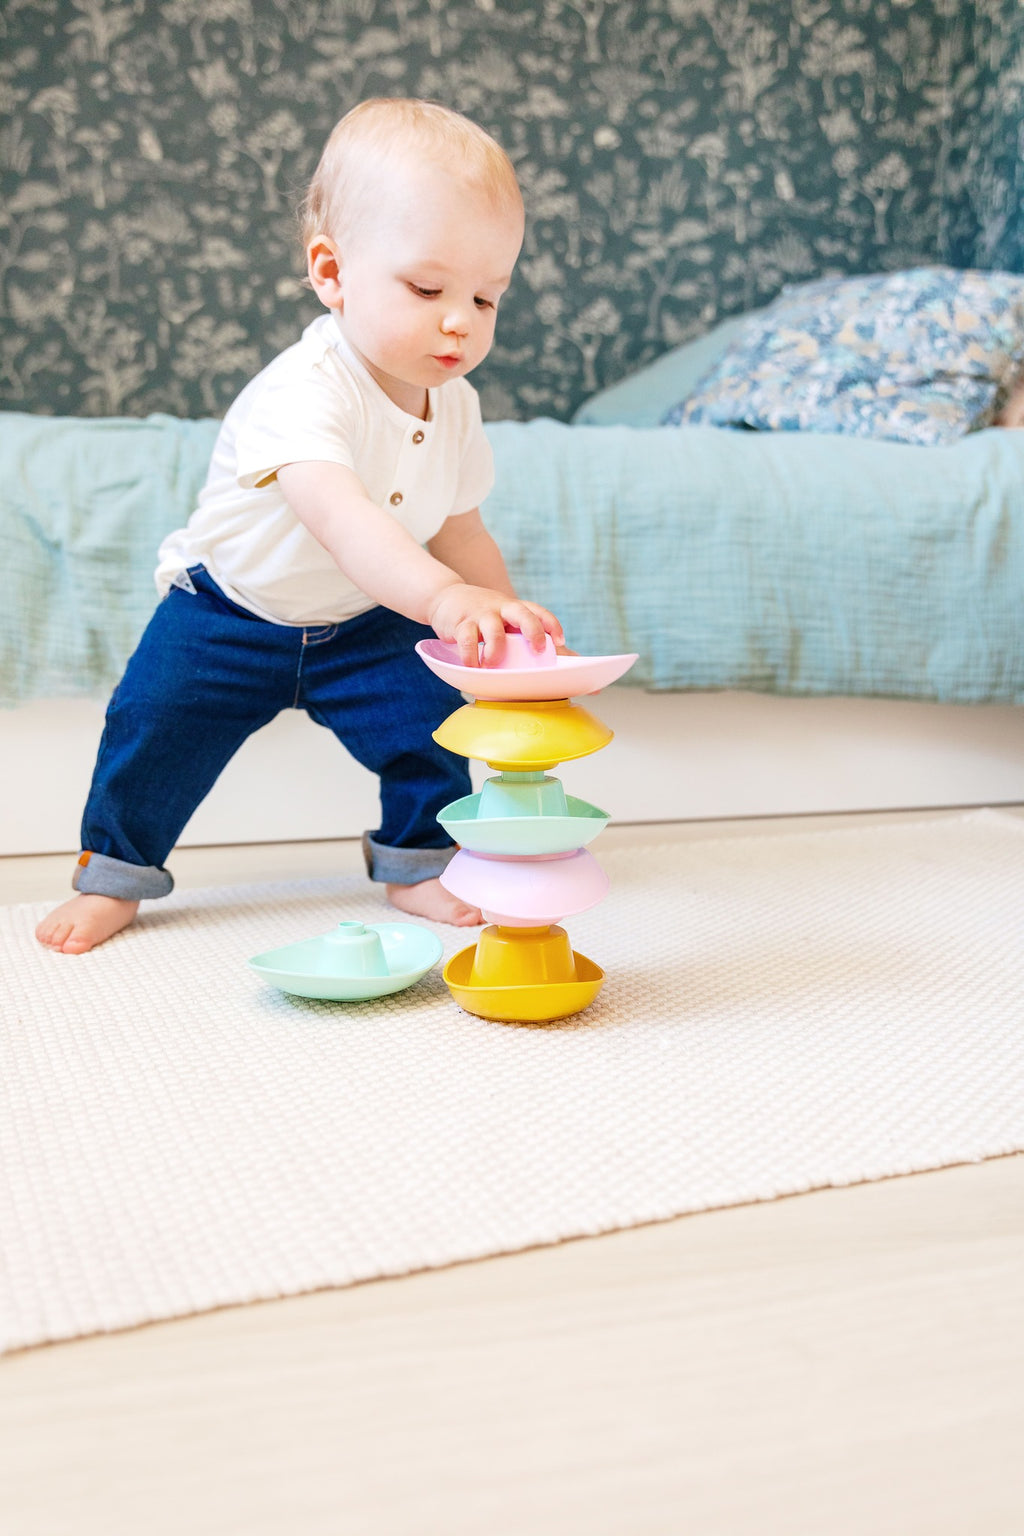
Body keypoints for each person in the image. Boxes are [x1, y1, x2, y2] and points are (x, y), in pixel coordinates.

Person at [36, 97, 564, 956]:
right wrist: (443, 599)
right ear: (331, 272)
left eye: (486, 297)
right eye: (428, 289)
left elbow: (460, 531)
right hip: (230, 612)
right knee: (152, 728)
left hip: (362, 621)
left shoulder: (456, 406)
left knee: (429, 728)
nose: (460, 320)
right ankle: (116, 874)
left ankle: (418, 863)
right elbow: (344, 523)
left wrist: (503, 630)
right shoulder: (304, 390)